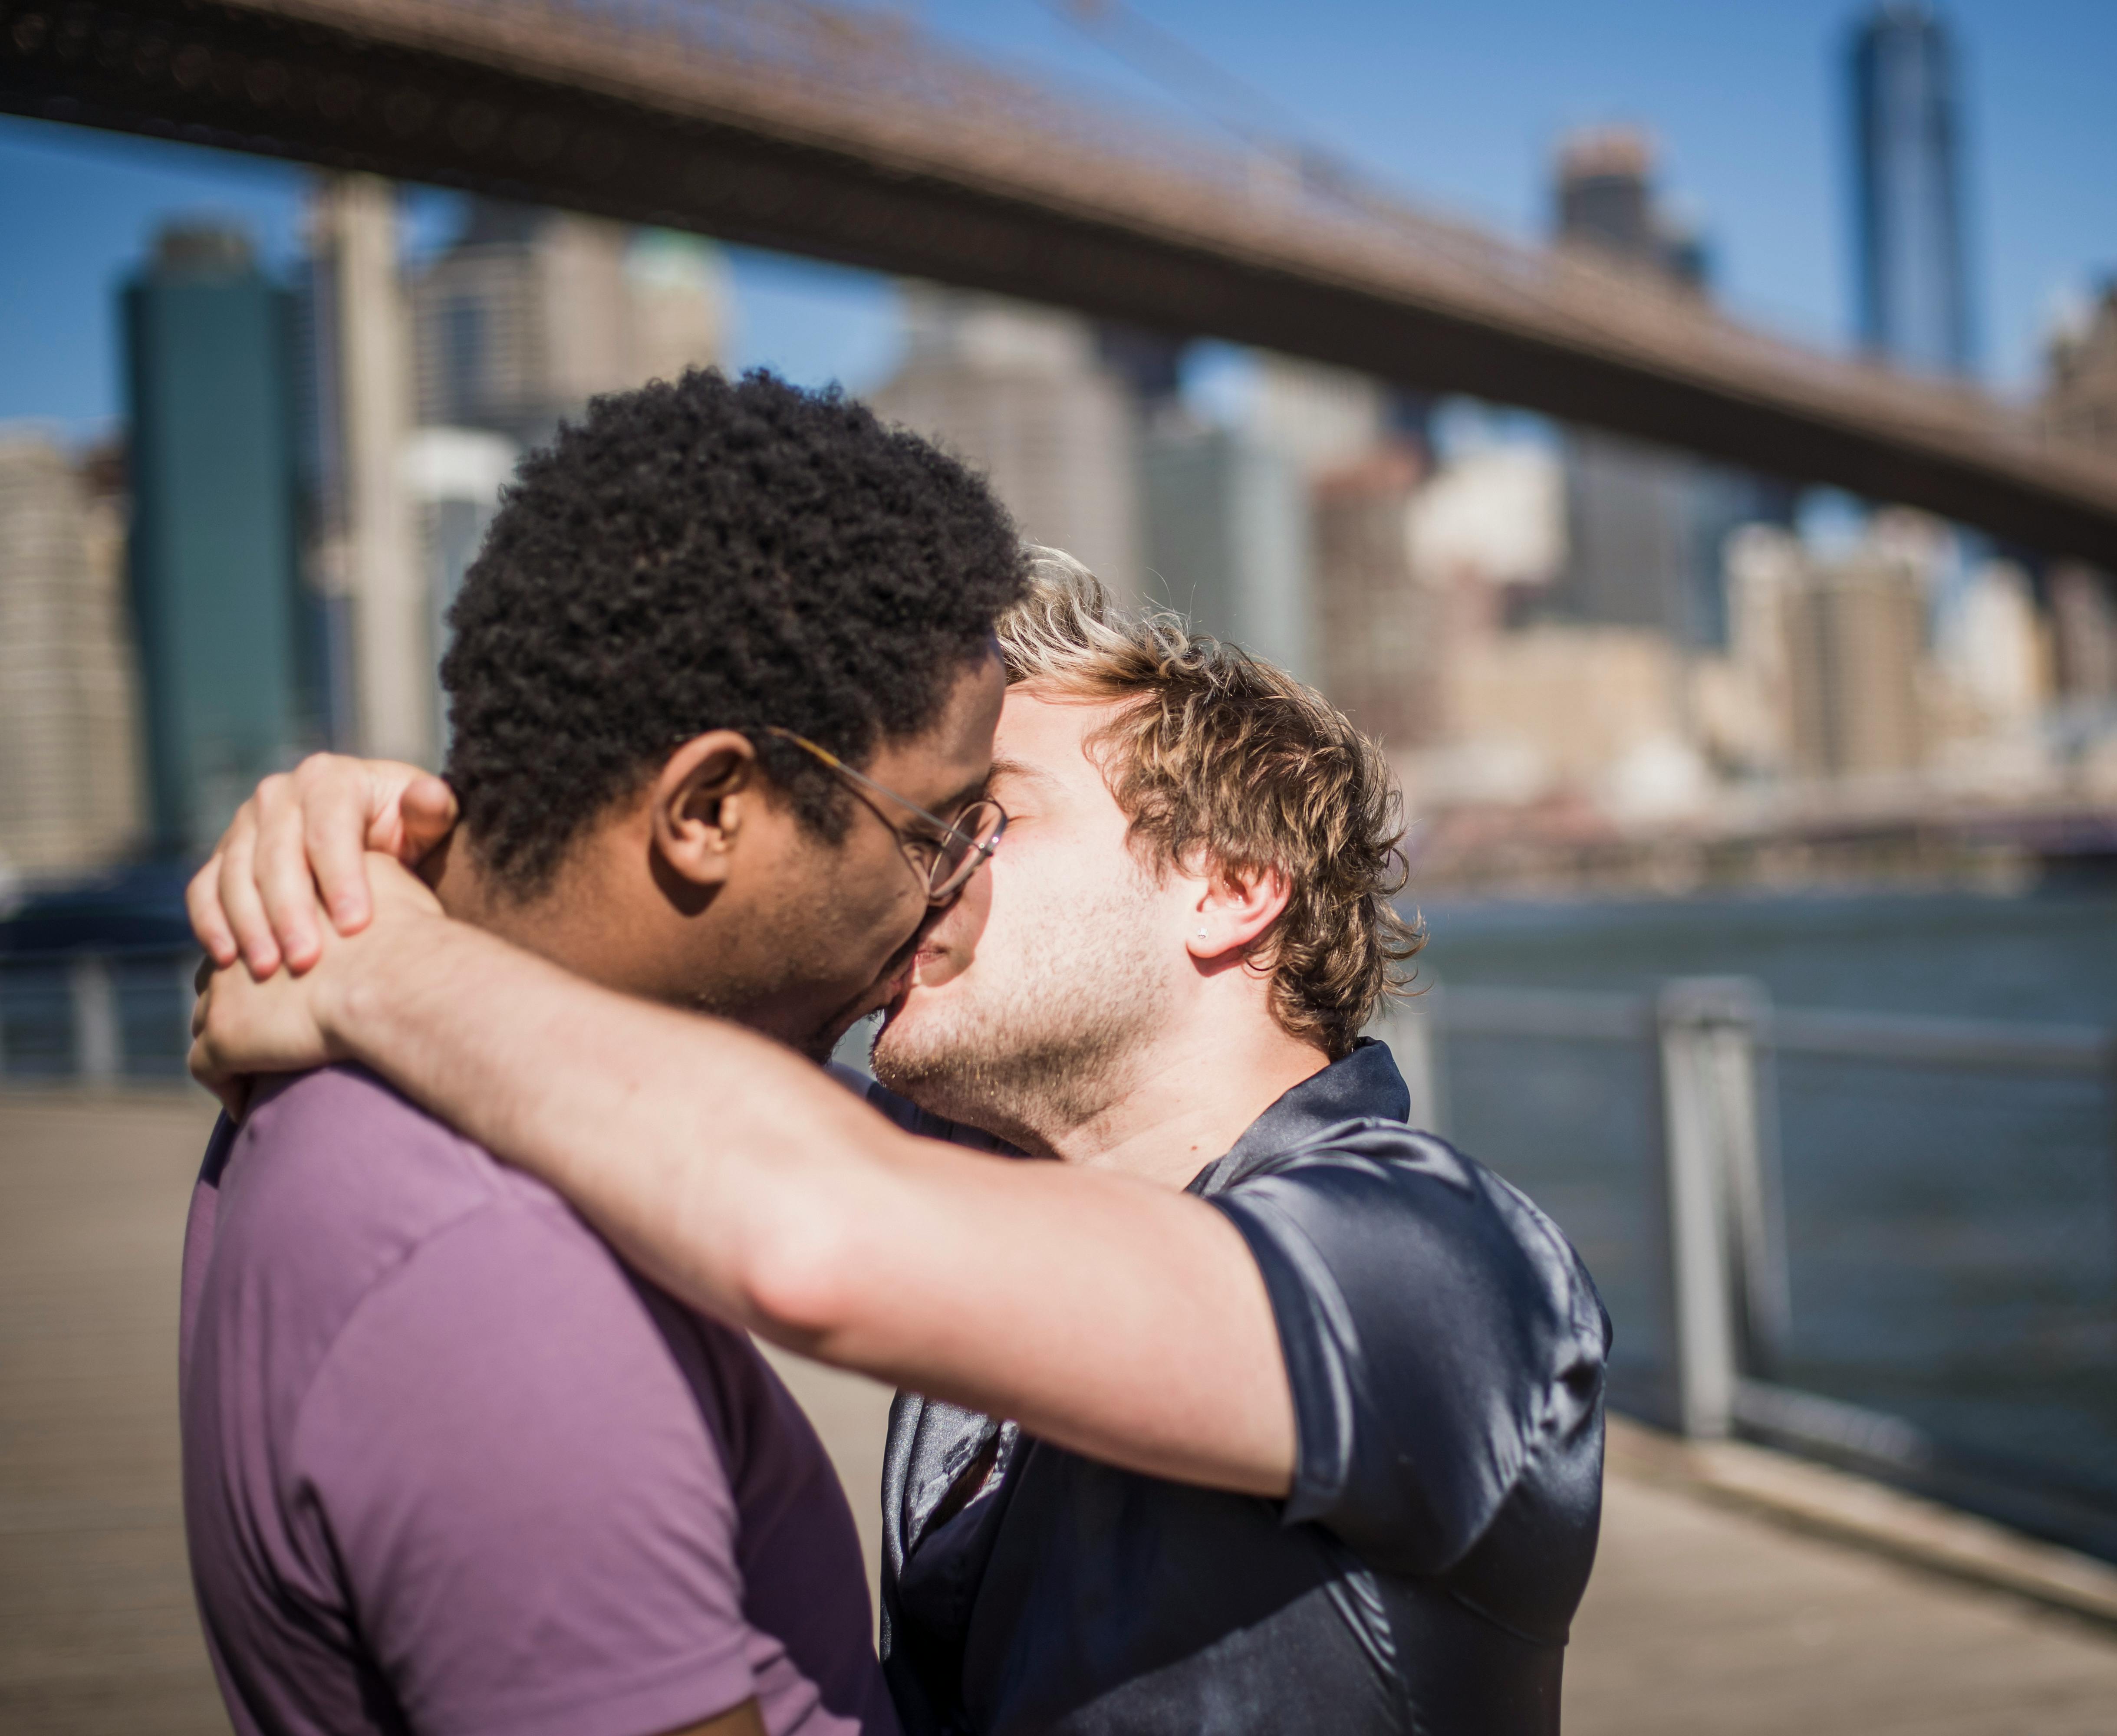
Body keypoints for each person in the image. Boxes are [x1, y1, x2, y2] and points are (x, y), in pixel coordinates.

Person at [193, 565, 1610, 1732]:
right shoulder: (970, 1188)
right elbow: (646, 1055)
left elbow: (812, 1230)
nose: (911, 872)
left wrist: (374, 972)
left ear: (1232, 890)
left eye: (980, 820)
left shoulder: (1445, 1269)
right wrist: (375, 859)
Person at [177, 368, 1027, 1736]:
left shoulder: (364, 1056)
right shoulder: (492, 1280)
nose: (954, 891)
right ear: (707, 808)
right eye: (936, 829)